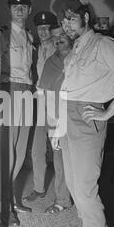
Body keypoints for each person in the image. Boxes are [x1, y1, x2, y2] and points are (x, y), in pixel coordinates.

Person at [51, 2, 114, 227]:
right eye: (63, 21)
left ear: (86, 17)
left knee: (85, 185)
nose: (66, 24)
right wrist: (59, 128)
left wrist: (107, 112)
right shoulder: (77, 47)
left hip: (87, 118)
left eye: (71, 18)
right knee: (73, 184)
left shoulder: (104, 44)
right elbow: (69, 90)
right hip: (69, 117)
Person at [0, 0, 35, 226]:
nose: (19, 10)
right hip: (9, 89)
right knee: (8, 149)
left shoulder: (30, 36)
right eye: (15, 6)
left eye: (23, 6)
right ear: (9, 9)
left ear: (29, 9)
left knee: (21, 149)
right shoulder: (3, 34)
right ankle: (3, 204)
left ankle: (11, 198)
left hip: (27, 90)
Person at [37, 24, 72, 214]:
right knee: (59, 161)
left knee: (80, 163)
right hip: (57, 118)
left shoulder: (79, 59)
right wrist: (53, 125)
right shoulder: (50, 62)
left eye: (63, 35)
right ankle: (62, 200)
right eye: (55, 37)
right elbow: (47, 94)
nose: (58, 40)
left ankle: (83, 202)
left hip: (77, 117)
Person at [24, 11, 58, 202]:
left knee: (58, 149)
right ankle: (39, 188)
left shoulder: (61, 47)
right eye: (40, 28)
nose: (44, 32)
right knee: (37, 148)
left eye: (47, 28)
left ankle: (63, 194)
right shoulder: (33, 48)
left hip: (56, 102)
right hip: (38, 102)